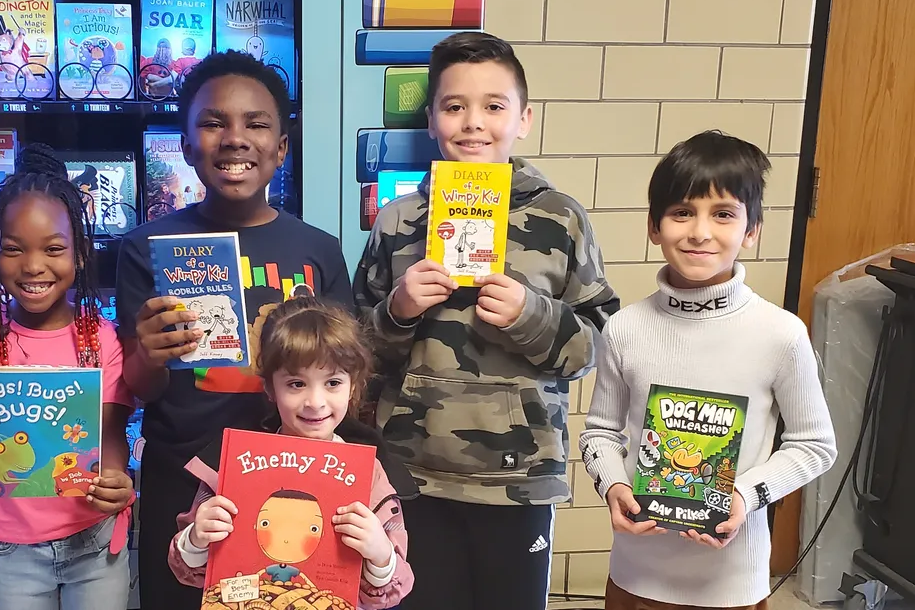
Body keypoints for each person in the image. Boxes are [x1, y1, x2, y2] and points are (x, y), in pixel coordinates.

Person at [353, 31, 620, 610]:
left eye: (493, 106)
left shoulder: (560, 219)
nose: (473, 123)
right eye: (454, 106)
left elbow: (600, 342)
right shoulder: (399, 220)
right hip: (410, 474)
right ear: (431, 121)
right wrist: (397, 311)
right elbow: (352, 353)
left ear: (523, 119)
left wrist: (535, 317)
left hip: (518, 478)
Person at [115, 50, 354, 608]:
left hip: (295, 478)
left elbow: (347, 379)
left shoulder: (318, 251)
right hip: (184, 473)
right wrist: (149, 354)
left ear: (282, 147)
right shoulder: (145, 248)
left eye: (256, 123)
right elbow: (140, 387)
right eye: (213, 122)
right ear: (184, 144)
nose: (235, 138)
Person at [580, 130, 837, 610]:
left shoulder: (779, 333)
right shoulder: (625, 328)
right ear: (654, 227)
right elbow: (600, 434)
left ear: (752, 230)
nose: (700, 232)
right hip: (636, 572)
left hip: (731, 581)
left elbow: (815, 446)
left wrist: (744, 495)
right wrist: (613, 484)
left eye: (723, 214)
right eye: (682, 212)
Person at [0, 145, 135, 610]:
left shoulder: (102, 339)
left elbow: (112, 431)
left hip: (94, 537)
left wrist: (118, 476)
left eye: (53, 249)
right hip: (9, 548)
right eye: (13, 250)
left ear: (80, 254)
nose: (33, 266)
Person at [168, 297, 416, 609]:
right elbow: (189, 571)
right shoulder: (232, 465)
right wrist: (196, 540)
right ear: (270, 388)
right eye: (296, 383)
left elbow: (392, 588)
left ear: (353, 386)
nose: (315, 401)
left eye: (333, 382)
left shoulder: (370, 474)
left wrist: (381, 557)